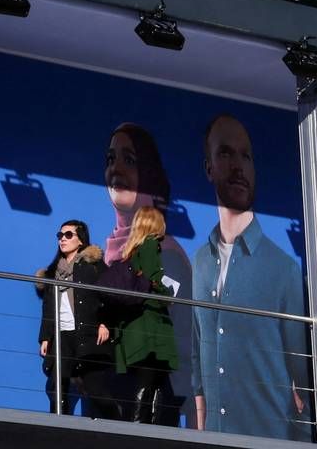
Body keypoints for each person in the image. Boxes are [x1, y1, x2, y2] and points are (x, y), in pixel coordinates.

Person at [190, 113, 311, 440]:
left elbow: (303, 374)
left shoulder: (282, 268)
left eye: (247, 156)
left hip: (267, 438)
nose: (238, 166)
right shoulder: (200, 262)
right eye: (226, 153)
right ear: (209, 168)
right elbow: (198, 354)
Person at [101, 121, 195, 422]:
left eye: (129, 160)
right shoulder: (116, 252)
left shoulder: (167, 254)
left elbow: (183, 327)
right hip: (136, 355)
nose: (116, 168)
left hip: (144, 355)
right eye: (110, 159)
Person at [101, 204, 180, 423]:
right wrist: (168, 295)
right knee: (150, 379)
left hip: (136, 324)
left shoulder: (131, 251)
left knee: (153, 381)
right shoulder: (150, 245)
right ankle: (141, 427)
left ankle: (145, 426)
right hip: (151, 326)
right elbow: (154, 277)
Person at [36, 219, 115, 418]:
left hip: (87, 335)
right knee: (56, 387)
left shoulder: (93, 266)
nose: (62, 239)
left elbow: (109, 296)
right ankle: (57, 429)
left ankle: (116, 419)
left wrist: (105, 323)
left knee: (95, 389)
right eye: (60, 235)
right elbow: (48, 307)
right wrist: (45, 337)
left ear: (80, 240)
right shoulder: (53, 271)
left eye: (68, 235)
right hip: (61, 335)